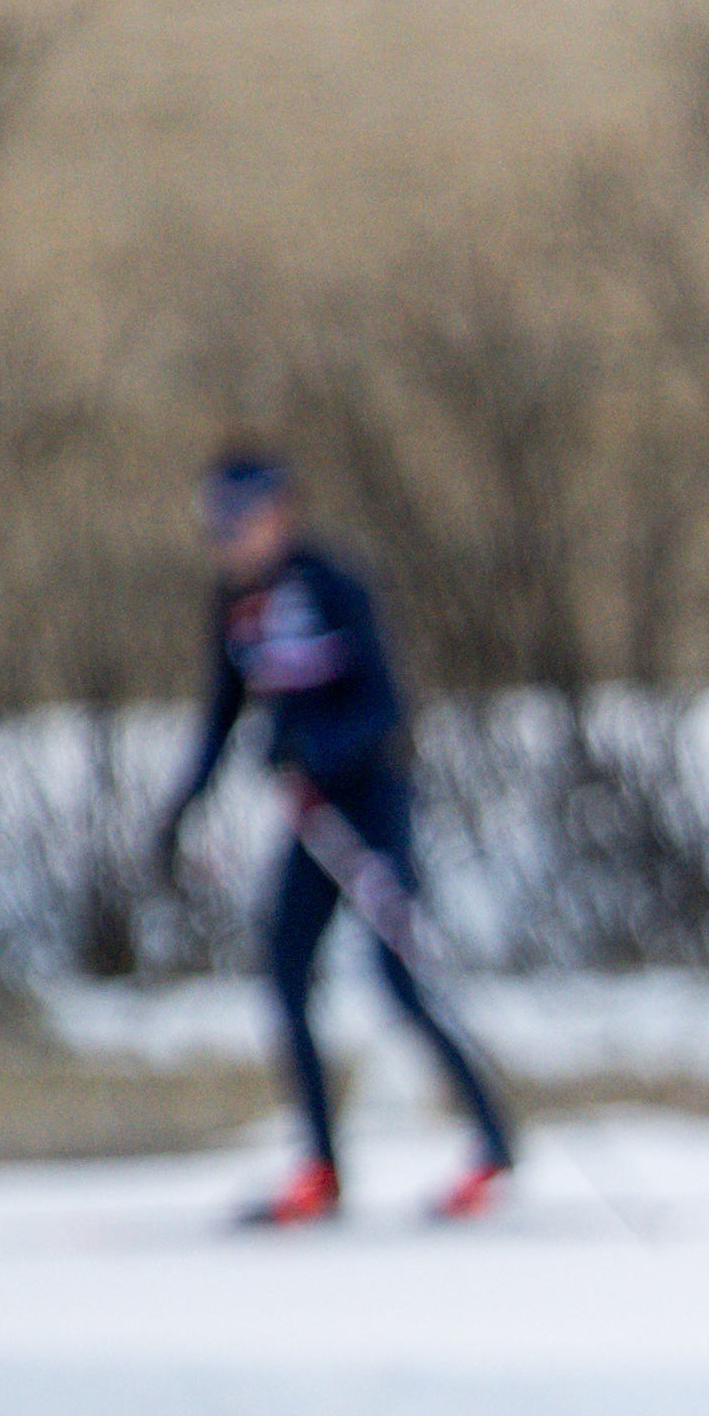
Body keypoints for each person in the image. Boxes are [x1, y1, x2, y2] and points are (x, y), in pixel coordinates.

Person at [157, 449, 518, 1229]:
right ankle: (320, 1166)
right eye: (217, 530)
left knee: (397, 980)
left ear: (279, 514)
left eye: (240, 524)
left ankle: (493, 1145)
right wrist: (184, 806)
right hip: (310, 821)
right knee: (284, 973)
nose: (230, 544)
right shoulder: (235, 605)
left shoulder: (334, 585)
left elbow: (387, 708)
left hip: (371, 810)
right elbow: (221, 716)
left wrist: (315, 747)